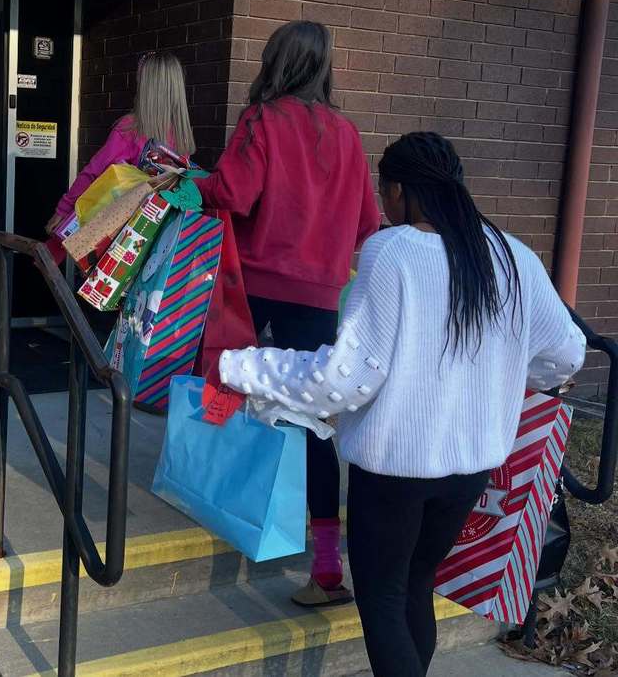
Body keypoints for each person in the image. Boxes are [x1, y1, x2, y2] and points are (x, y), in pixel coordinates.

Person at [218, 132, 586, 677]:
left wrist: (240, 366)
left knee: (383, 597)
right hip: (472, 466)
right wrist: (504, 374)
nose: (383, 207)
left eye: (384, 192)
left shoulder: (392, 254)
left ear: (400, 191)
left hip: (394, 467)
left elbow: (344, 381)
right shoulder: (514, 255)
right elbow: (566, 354)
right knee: (416, 584)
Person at [193, 20, 381, 606]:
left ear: (274, 61)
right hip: (321, 297)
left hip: (254, 286)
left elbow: (232, 194)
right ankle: (327, 569)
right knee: (314, 426)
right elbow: (368, 224)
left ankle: (210, 503)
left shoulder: (262, 121)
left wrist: (197, 184)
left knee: (222, 384)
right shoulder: (347, 134)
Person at [45, 51, 195, 235]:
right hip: (160, 232)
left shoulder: (130, 129)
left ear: (146, 87)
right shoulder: (182, 135)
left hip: (120, 231)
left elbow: (93, 172)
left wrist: (63, 210)